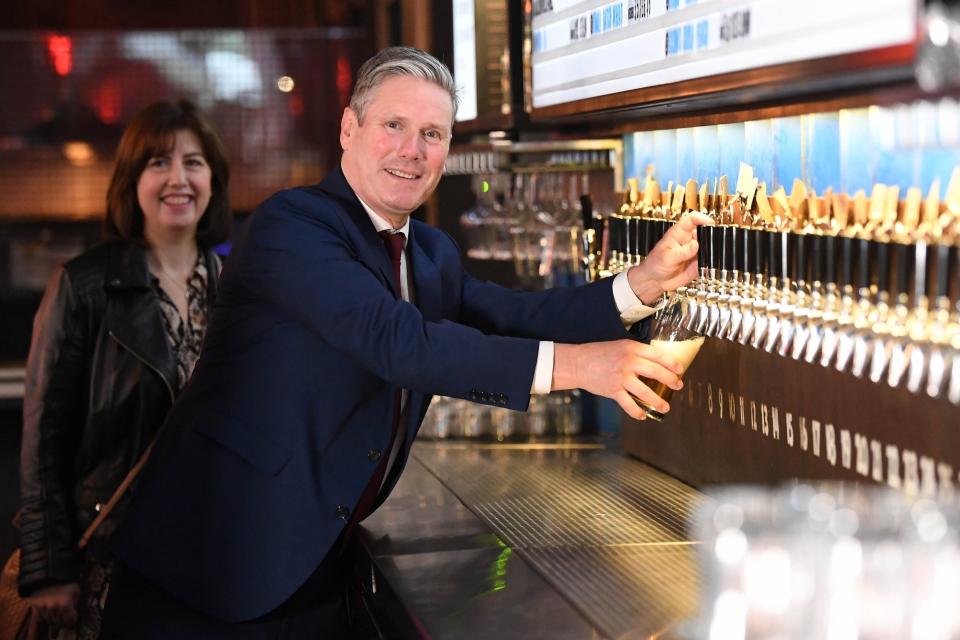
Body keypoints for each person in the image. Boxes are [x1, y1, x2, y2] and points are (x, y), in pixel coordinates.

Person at [101, 47, 711, 638]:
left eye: (433, 134)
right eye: (394, 125)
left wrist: (641, 285)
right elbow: (395, 340)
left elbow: (515, 316)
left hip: (315, 561)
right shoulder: (292, 225)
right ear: (349, 128)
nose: (412, 151)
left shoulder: (429, 253)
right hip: (211, 572)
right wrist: (582, 366)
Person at [16, 99, 231, 638]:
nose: (178, 178)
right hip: (113, 563)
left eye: (193, 162)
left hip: (214, 556)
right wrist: (50, 571)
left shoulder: (233, 288)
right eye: (158, 162)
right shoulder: (85, 286)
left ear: (214, 179)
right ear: (132, 181)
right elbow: (44, 440)